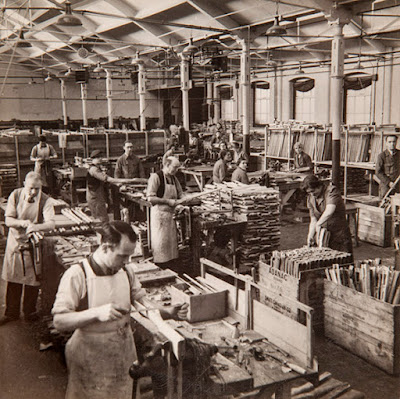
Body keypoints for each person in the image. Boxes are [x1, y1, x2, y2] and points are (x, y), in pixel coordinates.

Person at [52, 221, 188, 399]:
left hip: (123, 352)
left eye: (129, 257)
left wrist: (167, 312)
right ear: (106, 247)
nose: (126, 262)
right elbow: (59, 321)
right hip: (90, 356)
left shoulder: (127, 272)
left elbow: (142, 305)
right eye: (122, 256)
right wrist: (96, 313)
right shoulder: (78, 274)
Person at [0, 172, 55, 325]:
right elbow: (8, 220)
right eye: (31, 188)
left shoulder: (46, 200)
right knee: (14, 278)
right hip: (15, 242)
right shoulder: (15, 195)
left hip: (32, 244)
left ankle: (29, 312)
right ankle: (11, 312)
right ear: (24, 184)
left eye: (37, 189)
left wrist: (36, 226)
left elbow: (51, 224)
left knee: (33, 279)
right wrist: (24, 223)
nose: (33, 192)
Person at [147, 157, 183, 269]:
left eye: (177, 168)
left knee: (171, 246)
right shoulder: (156, 177)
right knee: (160, 245)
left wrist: (181, 203)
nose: (176, 170)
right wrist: (167, 201)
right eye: (174, 167)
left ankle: (171, 267)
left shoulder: (173, 178)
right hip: (160, 216)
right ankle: (160, 267)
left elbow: (180, 194)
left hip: (170, 216)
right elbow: (150, 198)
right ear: (167, 165)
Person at [303, 174, 353, 255]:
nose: (312, 194)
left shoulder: (331, 191)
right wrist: (310, 235)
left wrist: (319, 224)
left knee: (343, 260)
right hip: (325, 236)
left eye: (313, 191)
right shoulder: (311, 198)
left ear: (319, 186)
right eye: (309, 192)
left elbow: (330, 210)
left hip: (339, 234)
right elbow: (313, 219)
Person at [87, 150, 140, 223]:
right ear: (94, 159)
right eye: (99, 158)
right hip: (95, 198)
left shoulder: (96, 168)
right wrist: (126, 181)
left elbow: (105, 182)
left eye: (101, 157)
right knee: (103, 220)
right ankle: (105, 234)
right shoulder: (94, 169)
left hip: (97, 196)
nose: (101, 159)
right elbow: (108, 179)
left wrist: (117, 183)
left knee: (102, 219)